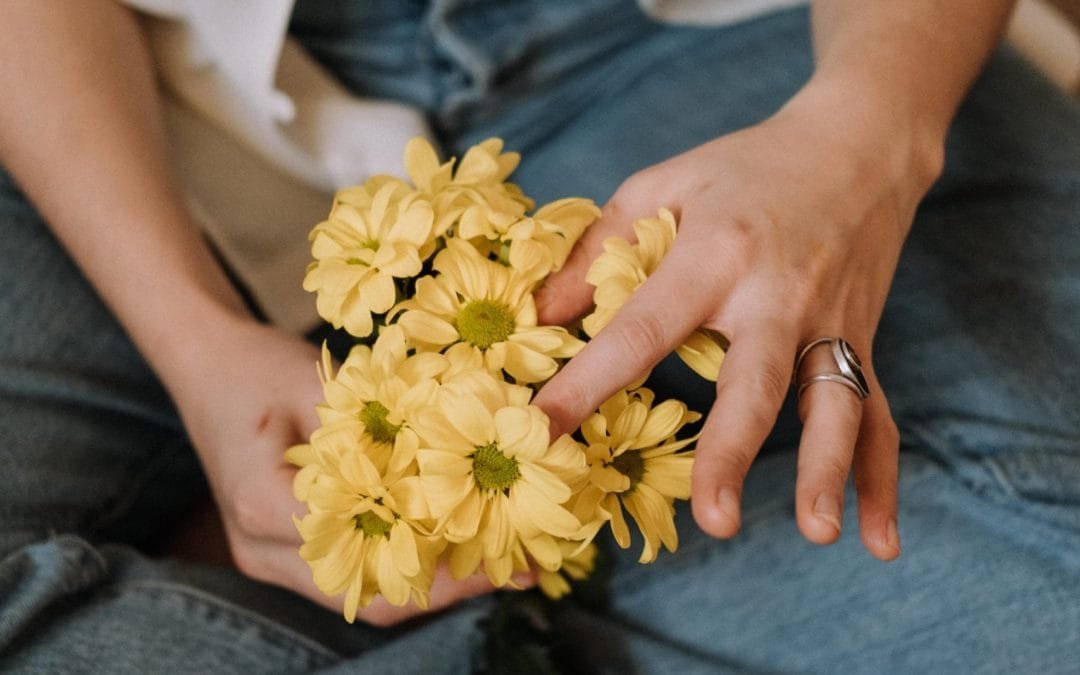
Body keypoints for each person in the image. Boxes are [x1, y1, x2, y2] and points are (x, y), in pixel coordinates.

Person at [1, 0, 1078, 672]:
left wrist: (865, 138)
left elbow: (867, 127)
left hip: (727, 41)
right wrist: (194, 345)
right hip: (132, 86)